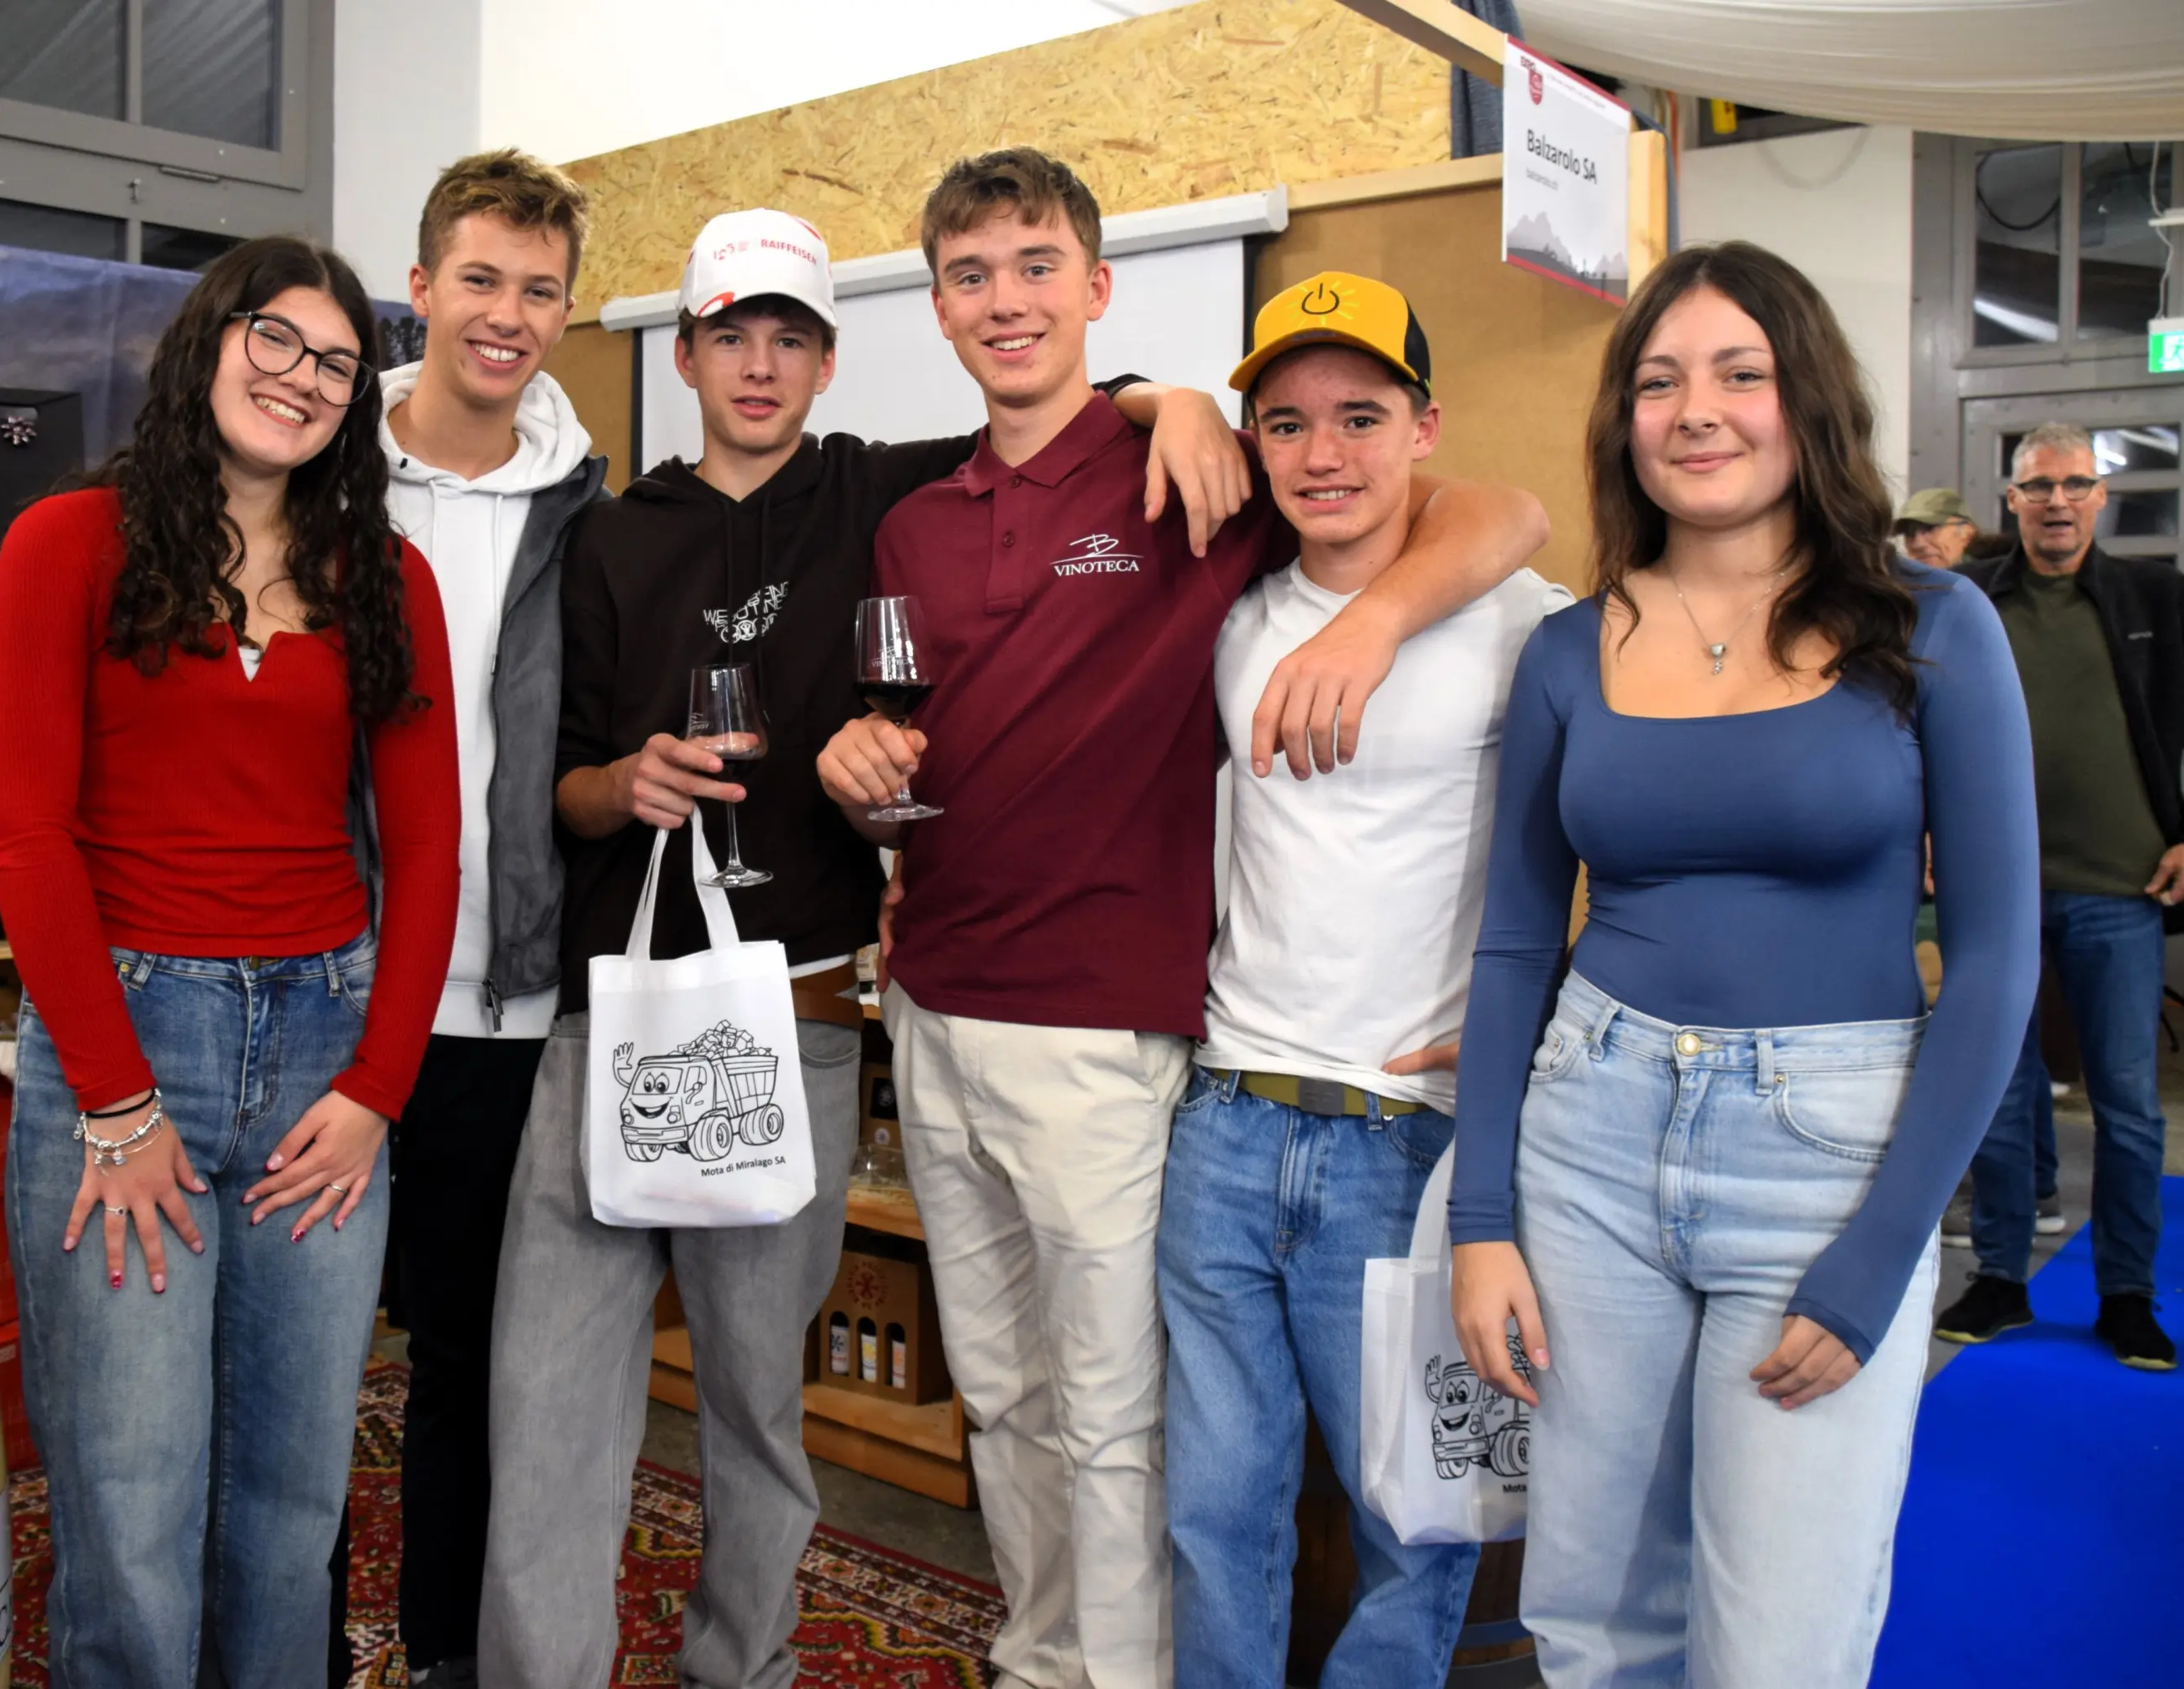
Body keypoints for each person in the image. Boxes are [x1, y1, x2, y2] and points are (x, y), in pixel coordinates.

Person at [477, 207, 1248, 1689]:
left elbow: (1067, 413)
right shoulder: (606, 535)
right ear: (685, 351)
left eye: (791, 338)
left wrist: (1180, 395)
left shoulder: (886, 493)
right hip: (615, 1016)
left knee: (764, 1405)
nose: (758, 366)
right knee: (550, 1397)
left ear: (830, 364)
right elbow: (561, 784)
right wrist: (622, 784)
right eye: (730, 337)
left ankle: (743, 1669)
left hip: (809, 1010)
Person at [816, 148, 1548, 1689]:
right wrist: (858, 761)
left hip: (1109, 1027)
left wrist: (1339, 572)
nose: (1004, 300)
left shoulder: (1195, 487)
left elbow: (1498, 508)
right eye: (970, 274)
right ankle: (1039, 1653)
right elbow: (913, 730)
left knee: (1117, 1416)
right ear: (936, 304)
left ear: (1095, 287)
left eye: (1035, 266)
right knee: (1005, 1397)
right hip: (934, 1003)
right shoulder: (915, 520)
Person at [1448, 240, 2036, 1689]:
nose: (1694, 409)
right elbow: (1521, 937)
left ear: (1807, 402)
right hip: (1589, 1137)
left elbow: (2002, 958)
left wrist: (1888, 1251)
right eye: (1658, 381)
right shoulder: (1571, 651)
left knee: (1779, 1641)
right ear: (1623, 422)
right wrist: (1480, 1217)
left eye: (1738, 372)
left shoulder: (1933, 626)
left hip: (1829, 1156)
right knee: (1593, 1619)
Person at [0, 236, 460, 1685]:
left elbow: (430, 857)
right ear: (209, 340)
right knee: (131, 1507)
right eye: (275, 339)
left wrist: (380, 1087)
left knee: (293, 1503)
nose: (302, 380)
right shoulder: (68, 543)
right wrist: (119, 1108)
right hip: (128, 1047)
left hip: (324, 1057)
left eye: (334, 362)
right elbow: (26, 838)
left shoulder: (385, 577)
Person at [1156, 271, 1571, 1687]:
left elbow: (1622, 842)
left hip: (1407, 1141)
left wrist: (1538, 1016)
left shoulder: (1524, 622)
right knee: (1215, 1511)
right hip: (1223, 1120)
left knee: (1419, 1518)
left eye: (1360, 416)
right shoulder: (1230, 618)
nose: (1323, 454)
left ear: (1424, 423)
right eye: (1285, 423)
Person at [374, 148, 607, 1689]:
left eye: (538, 291)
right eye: (480, 280)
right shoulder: (325, 469)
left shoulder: (591, 508)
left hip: (504, 1009)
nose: (506, 314)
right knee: (298, 1370)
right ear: (422, 288)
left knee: (466, 1366)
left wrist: (1158, 395)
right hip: (326, 988)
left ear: (569, 312)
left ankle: (440, 1653)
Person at [1936, 420, 2181, 1370]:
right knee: (2000, 1088)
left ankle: (2128, 1295)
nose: (2057, 501)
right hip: (1995, 889)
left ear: (2100, 498)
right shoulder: (1968, 603)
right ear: (2011, 498)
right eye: (2039, 486)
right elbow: (1922, 717)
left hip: (2122, 886)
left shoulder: (2151, 597)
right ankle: (2000, 1276)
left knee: (2127, 1105)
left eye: (2076, 484)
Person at [1893, 485, 1980, 567]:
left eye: (1930, 527)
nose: (1918, 544)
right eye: (1909, 532)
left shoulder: (1989, 580)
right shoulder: (1897, 580)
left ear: (1966, 533)